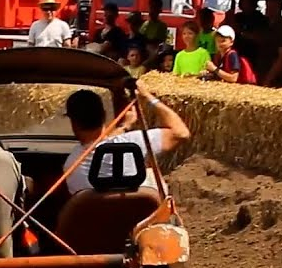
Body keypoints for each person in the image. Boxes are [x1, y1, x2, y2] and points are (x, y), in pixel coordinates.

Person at [61, 80, 192, 195]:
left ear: (73, 122)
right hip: (140, 217)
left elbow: (98, 143)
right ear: (104, 115)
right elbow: (181, 133)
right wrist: (148, 97)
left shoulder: (71, 165)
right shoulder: (134, 142)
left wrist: (124, 127)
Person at [254, 0, 282, 88]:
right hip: (262, 71)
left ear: (279, 8)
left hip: (276, 79)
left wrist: (268, 79)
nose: (268, 9)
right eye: (267, 6)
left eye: (272, 7)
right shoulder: (266, 25)